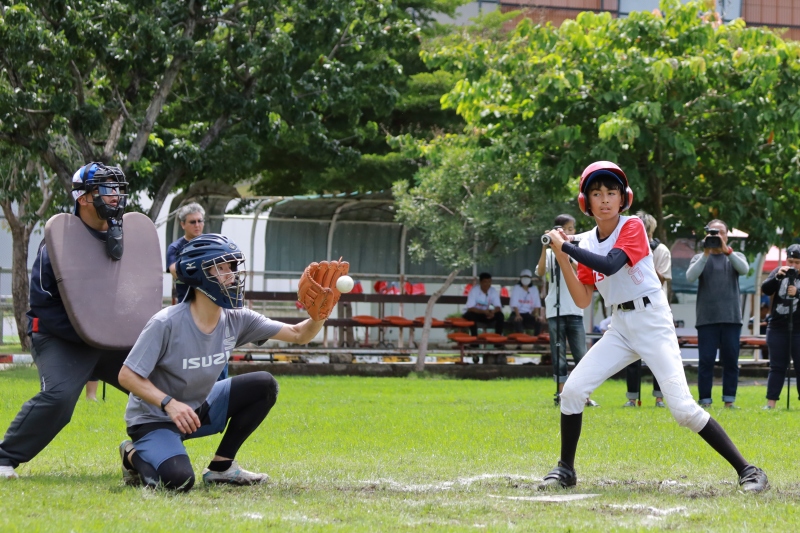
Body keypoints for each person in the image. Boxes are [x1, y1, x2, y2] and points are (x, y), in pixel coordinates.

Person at [538, 161, 767, 493]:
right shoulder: (585, 242)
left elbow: (611, 264)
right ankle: (566, 470)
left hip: (652, 320)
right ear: (585, 202)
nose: (604, 200)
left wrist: (566, 245)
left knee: (683, 409)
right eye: (596, 194)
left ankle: (749, 470)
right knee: (572, 391)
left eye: (611, 193)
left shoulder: (631, 227)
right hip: (620, 325)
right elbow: (584, 299)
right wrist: (563, 256)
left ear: (623, 198)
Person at [117, 234, 339, 490]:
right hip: (154, 418)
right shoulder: (165, 323)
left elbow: (300, 334)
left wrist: (321, 313)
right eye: (221, 268)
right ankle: (131, 454)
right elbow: (126, 375)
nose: (231, 275)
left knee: (263, 385)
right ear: (198, 273)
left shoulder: (237, 317)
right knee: (178, 482)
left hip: (197, 409)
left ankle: (221, 467)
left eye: (232, 267)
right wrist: (170, 404)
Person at [0, 163, 132, 480]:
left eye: (117, 188)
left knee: (163, 386)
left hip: (112, 339)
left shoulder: (130, 239)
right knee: (58, 398)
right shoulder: (56, 244)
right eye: (105, 188)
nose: (114, 196)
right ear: (83, 197)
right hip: (61, 338)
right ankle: (4, 457)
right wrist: (89, 333)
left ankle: (143, 453)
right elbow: (45, 304)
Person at [686, 219, 749, 408]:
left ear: (727, 234)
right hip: (707, 319)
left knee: (731, 360)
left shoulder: (734, 255)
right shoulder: (699, 257)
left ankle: (729, 400)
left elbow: (744, 269)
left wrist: (726, 251)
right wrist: (706, 253)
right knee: (706, 361)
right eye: (713, 233)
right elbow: (690, 277)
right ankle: (705, 400)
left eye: (720, 232)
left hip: (731, 318)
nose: (717, 236)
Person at [536, 214, 597, 407]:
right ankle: (561, 393)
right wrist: (546, 246)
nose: (572, 232)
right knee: (558, 353)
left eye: (573, 229)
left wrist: (567, 252)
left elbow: (582, 271)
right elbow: (539, 272)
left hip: (575, 309)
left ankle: (584, 394)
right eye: (569, 229)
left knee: (581, 354)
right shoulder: (551, 253)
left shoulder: (576, 251)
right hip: (556, 309)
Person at [622, 212, 670, 408]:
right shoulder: (627, 248)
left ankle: (660, 397)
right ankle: (632, 397)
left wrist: (645, 258)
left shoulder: (661, 251)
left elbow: (661, 279)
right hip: (632, 305)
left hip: (654, 308)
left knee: (658, 355)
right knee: (632, 355)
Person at [761, 244, 800, 410]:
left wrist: (797, 293)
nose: (793, 265)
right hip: (777, 327)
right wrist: (777, 277)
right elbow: (765, 289)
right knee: (777, 366)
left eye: (797, 262)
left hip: (798, 329)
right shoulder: (779, 272)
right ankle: (771, 403)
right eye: (790, 261)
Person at [166, 203, 206, 305]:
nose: (197, 225)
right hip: (186, 303)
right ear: (183, 224)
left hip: (210, 303)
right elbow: (175, 272)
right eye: (192, 222)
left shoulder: (212, 244)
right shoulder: (175, 248)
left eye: (200, 221)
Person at [462, 272, 505, 338]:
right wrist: (484, 312)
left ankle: (497, 340)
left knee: (500, 315)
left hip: (488, 314)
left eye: (489, 282)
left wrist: (492, 312)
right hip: (476, 313)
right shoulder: (474, 291)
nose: (487, 284)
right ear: (481, 282)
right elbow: (470, 308)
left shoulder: (493, 291)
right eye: (485, 282)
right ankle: (474, 340)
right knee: (470, 315)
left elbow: (498, 306)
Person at [509, 269, 542, 335]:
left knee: (539, 322)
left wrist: (536, 316)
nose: (526, 279)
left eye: (527, 277)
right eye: (524, 277)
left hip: (527, 315)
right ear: (520, 278)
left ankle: (536, 341)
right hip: (516, 314)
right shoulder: (516, 288)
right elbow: (514, 303)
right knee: (518, 321)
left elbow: (536, 305)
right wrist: (518, 315)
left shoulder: (534, 289)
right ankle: (520, 343)